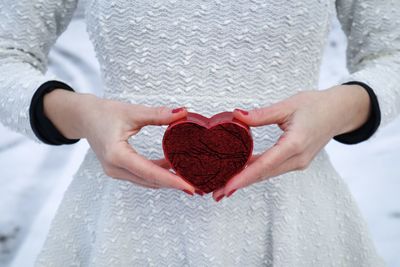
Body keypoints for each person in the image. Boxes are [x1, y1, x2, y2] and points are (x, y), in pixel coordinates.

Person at [0, 0, 398, 266]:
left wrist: (341, 108)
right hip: (122, 224)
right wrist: (78, 114)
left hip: (295, 221)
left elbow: (391, 51)